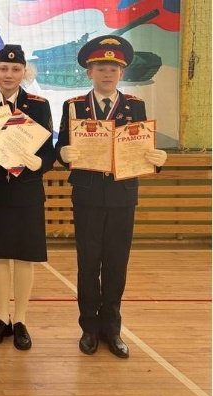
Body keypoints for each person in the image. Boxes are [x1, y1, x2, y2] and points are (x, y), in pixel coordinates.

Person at [55, 35, 167, 359]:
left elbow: (142, 148)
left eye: (113, 68)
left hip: (122, 196)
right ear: (89, 71)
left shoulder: (135, 105)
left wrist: (157, 160)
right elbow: (62, 146)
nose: (107, 74)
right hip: (88, 195)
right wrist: (63, 153)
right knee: (88, 264)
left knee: (117, 264)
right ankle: (89, 328)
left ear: (122, 72)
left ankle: (112, 329)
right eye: (101, 68)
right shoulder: (74, 106)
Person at [0, 44, 56, 351]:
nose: (8, 74)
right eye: (3, 69)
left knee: (24, 256)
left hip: (26, 190)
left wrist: (40, 163)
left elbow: (49, 151)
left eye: (15, 69)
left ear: (24, 72)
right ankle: (1, 318)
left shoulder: (39, 105)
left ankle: (20, 320)